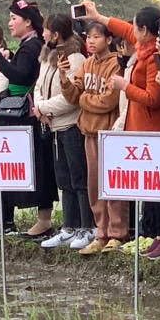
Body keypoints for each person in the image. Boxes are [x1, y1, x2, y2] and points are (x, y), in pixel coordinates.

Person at [81, 0, 160, 257]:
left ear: (145, 30)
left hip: (158, 130)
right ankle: (158, 235)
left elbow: (154, 98)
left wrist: (125, 86)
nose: (131, 32)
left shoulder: (155, 56)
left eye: (136, 27)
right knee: (152, 187)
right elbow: (124, 29)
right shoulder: (145, 46)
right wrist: (99, 17)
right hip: (144, 130)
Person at [0, 0, 51, 237]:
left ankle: (43, 220)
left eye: (13, 19)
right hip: (23, 113)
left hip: (27, 114)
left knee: (38, 167)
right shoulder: (28, 44)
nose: (9, 24)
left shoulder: (32, 46)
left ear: (28, 22)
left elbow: (19, 77)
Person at [61, 21, 126, 254]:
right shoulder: (87, 63)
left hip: (109, 133)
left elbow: (108, 101)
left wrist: (83, 100)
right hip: (88, 131)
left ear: (109, 40)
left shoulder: (115, 65)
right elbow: (73, 94)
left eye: (97, 37)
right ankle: (101, 232)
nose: (91, 41)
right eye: (88, 37)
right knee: (94, 184)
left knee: (113, 183)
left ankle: (117, 233)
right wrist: (64, 78)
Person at [36, 14, 92, 250]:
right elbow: (39, 86)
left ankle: (87, 227)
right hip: (54, 126)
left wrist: (43, 108)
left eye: (47, 30)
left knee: (79, 178)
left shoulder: (75, 58)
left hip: (71, 125)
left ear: (56, 33)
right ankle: (69, 227)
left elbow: (71, 99)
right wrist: (39, 106)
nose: (43, 34)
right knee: (64, 180)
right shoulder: (48, 57)